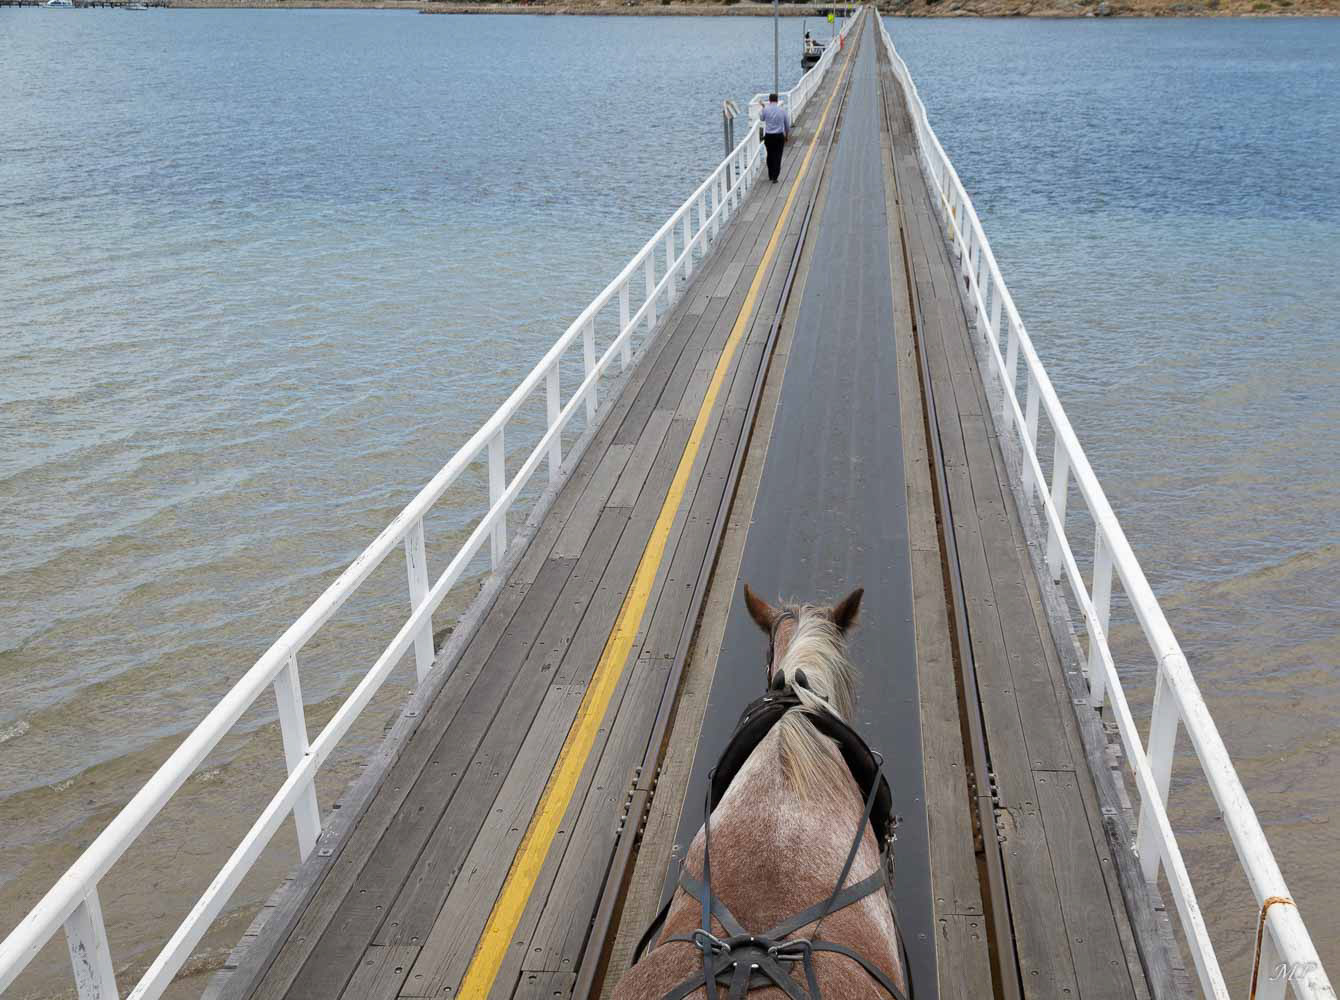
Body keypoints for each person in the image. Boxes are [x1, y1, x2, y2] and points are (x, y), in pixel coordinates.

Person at [760, 93, 790, 184]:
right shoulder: (782, 110)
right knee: (778, 156)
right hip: (779, 136)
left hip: (769, 136)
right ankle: (775, 177)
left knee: (770, 155)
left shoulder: (766, 109)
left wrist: (763, 107)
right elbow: (787, 125)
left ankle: (770, 174)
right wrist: (786, 136)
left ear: (769, 100)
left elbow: (762, 118)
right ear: (777, 100)